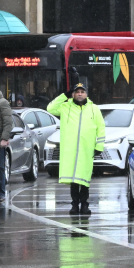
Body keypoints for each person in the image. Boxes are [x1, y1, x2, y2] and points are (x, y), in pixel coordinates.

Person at [47, 83, 106, 215]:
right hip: (71, 150)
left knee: (84, 179)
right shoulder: (65, 107)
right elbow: (50, 108)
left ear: (87, 94)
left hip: (86, 150)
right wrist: (64, 96)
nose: (80, 94)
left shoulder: (94, 109)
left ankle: (84, 204)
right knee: (74, 179)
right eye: (77, 92)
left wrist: (99, 146)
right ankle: (75, 205)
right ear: (73, 94)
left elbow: (100, 128)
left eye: (82, 92)